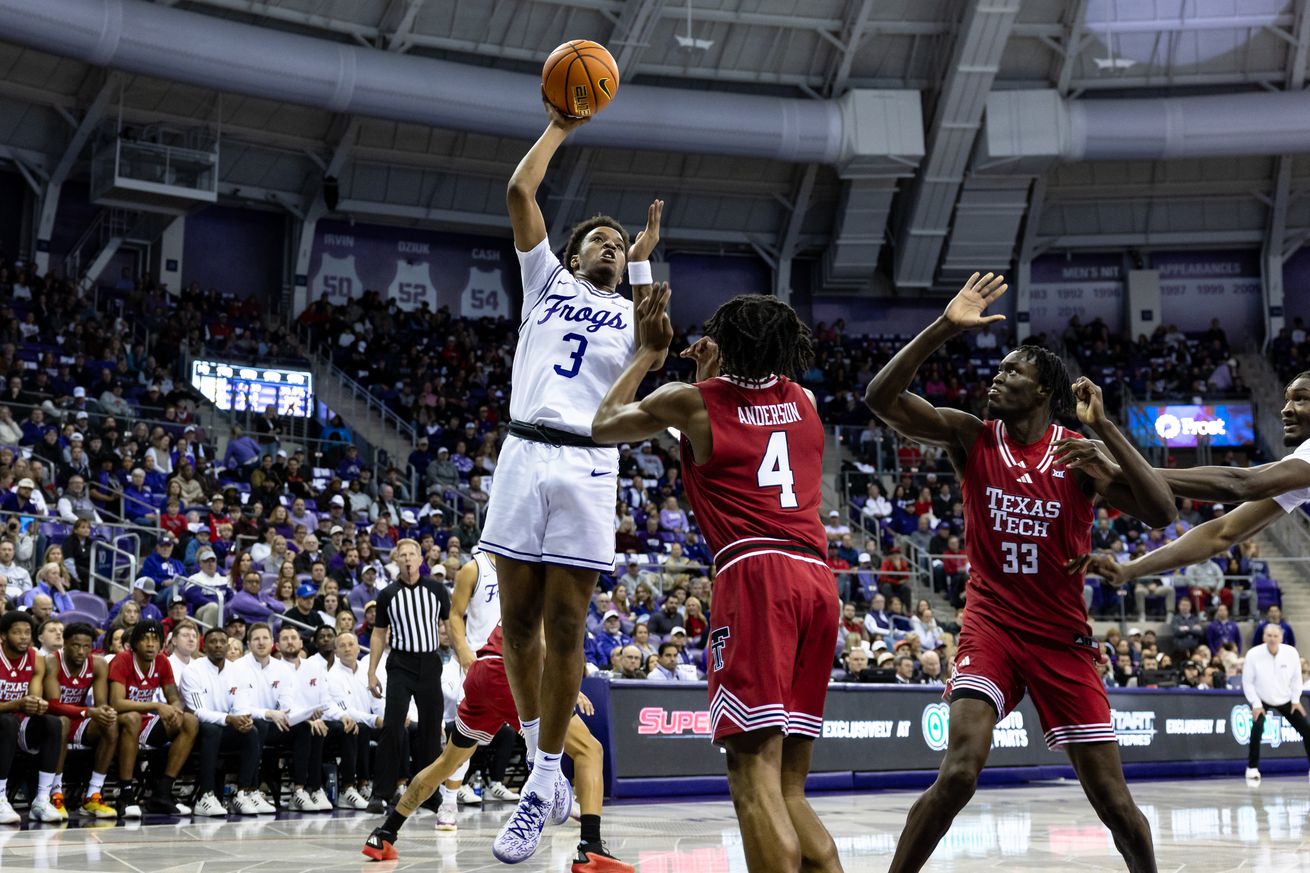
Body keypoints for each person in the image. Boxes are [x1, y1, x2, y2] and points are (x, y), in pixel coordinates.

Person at [862, 272, 1176, 873]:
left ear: (1043, 392)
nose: (997, 378)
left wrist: (1105, 432)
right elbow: (881, 399)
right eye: (998, 370)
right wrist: (943, 327)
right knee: (959, 773)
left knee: (1115, 804)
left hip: (1062, 637)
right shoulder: (971, 436)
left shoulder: (1075, 453)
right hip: (992, 627)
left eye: (1013, 373)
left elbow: (1162, 512)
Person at [591, 291, 842, 873]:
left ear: (726, 344)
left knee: (751, 774)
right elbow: (740, 434)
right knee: (789, 787)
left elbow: (604, 425)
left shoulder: (691, 401)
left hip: (757, 576)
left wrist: (649, 353)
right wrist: (713, 371)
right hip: (817, 581)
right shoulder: (804, 401)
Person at [477, 95, 664, 866]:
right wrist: (560, 126)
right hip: (524, 452)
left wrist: (646, 260)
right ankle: (540, 762)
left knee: (566, 623)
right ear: (575, 252)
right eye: (600, 240)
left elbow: (656, 342)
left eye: (619, 245)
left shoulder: (631, 311)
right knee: (516, 624)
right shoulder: (546, 281)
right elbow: (520, 192)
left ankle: (542, 778)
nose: (610, 247)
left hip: (589, 461)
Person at [362, 626, 631, 873]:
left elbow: (459, 617)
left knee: (447, 762)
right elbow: (541, 637)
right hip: (511, 674)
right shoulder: (553, 591)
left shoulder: (516, 592)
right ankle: (590, 847)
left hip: (482, 673)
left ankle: (384, 835)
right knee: (589, 750)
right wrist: (565, 685)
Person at [1074, 370, 1310, 634]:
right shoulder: (1300, 464)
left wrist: (1119, 472)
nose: (1286, 409)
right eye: (1287, 399)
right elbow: (1221, 533)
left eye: (1301, 399)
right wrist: (1128, 570)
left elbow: (1242, 484)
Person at [367, 539, 450, 814]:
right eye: (402, 555)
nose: (407, 558)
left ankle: (429, 793)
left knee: (431, 729)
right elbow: (379, 633)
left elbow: (450, 624)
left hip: (430, 663)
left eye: (411, 554)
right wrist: (371, 671)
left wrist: (463, 656)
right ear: (396, 561)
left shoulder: (437, 590)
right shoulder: (387, 594)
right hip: (400, 664)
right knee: (392, 727)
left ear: (420, 559)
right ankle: (381, 792)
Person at [446, 547, 519, 809]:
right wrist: (463, 651)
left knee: (540, 731)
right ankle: (449, 802)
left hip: (516, 662)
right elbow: (455, 614)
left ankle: (550, 796)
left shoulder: (522, 567)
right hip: (481, 663)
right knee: (464, 742)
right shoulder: (474, 568)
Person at [107, 619, 199, 817]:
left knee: (190, 721)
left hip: (144, 722)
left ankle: (162, 793)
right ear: (135, 643)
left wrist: (175, 711)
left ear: (162, 643)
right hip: (117, 722)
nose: (150, 644)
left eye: (155, 639)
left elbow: (174, 698)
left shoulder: (162, 661)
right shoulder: (122, 659)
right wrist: (157, 706)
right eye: (145, 639)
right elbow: (116, 703)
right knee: (133, 718)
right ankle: (126, 794)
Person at [179, 627, 274, 816]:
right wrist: (229, 719)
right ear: (204, 646)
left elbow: (241, 705)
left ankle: (243, 793)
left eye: (222, 642)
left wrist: (243, 719)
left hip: (226, 726)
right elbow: (198, 712)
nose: (218, 645)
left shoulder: (237, 671)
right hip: (198, 731)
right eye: (213, 642)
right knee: (210, 729)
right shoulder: (192, 671)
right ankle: (205, 797)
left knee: (255, 728)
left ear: (227, 646)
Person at [43, 622, 120, 819]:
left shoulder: (98, 664)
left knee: (110, 725)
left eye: (86, 646)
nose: (81, 651)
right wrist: (88, 712)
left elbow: (101, 704)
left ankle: (93, 795)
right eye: (76, 645)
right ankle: (55, 794)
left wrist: (106, 712)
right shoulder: (52, 661)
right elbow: (53, 704)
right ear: (65, 644)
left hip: (79, 720)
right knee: (62, 721)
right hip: (51, 721)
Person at [0, 611, 66, 823]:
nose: (23, 637)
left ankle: (42, 799)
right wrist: (16, 704)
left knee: (53, 723)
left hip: (18, 723)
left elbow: (33, 698)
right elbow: (16, 706)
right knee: (7, 721)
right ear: (3, 636)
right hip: (5, 722)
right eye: (17, 632)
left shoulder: (36, 659)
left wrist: (38, 704)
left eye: (27, 632)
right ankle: (0, 798)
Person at [1241, 624, 1309, 783]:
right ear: (1264, 637)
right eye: (1269, 636)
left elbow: (1296, 678)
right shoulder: (1253, 654)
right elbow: (1247, 682)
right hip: (1261, 698)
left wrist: (1295, 700)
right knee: (1257, 728)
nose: (1272, 639)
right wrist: (1256, 703)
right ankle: (1252, 768)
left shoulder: (1291, 653)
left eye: (1275, 636)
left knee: (1306, 730)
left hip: (1286, 698)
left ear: (1281, 638)